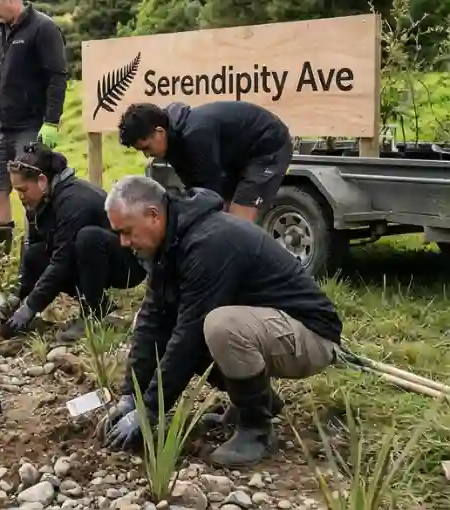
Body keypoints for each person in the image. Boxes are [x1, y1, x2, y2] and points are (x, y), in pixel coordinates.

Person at [98, 176, 342, 468]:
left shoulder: (209, 243)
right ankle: (258, 402)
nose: (124, 243)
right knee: (184, 323)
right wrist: (131, 396)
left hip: (310, 335)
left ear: (153, 215)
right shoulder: (169, 246)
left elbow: (188, 336)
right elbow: (153, 320)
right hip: (267, 327)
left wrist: (150, 410)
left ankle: (256, 430)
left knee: (218, 326)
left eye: (126, 232)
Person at [1, 144, 147, 343]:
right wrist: (19, 298)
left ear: (42, 181)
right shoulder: (41, 201)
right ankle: (101, 304)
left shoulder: (74, 201)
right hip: (88, 258)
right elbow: (36, 248)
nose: (20, 196)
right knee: (34, 254)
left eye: (23, 189)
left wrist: (31, 307)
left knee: (88, 238)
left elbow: (61, 260)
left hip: (126, 263)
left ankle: (92, 312)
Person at [0, 0, 68, 255]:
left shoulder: (43, 28)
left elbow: (57, 77)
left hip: (30, 126)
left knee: (30, 189)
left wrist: (51, 121)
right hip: (1, 127)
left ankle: (35, 247)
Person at [116, 101, 293, 224]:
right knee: (222, 219)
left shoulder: (195, 136)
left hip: (268, 145)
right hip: (237, 155)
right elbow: (196, 191)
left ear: (160, 132)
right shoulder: (171, 142)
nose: (147, 155)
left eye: (146, 148)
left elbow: (210, 194)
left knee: (237, 223)